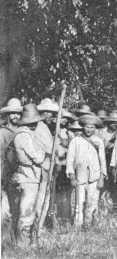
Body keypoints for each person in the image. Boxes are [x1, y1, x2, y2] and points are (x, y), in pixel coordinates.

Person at [12, 104, 48, 245]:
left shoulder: (27, 133)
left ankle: (26, 243)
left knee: (30, 210)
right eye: (31, 122)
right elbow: (37, 157)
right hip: (27, 176)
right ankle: (22, 245)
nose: (33, 124)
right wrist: (44, 153)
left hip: (32, 176)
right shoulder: (24, 135)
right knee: (27, 211)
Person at [66, 114, 107, 227]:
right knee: (78, 204)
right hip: (79, 177)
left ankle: (88, 225)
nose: (89, 130)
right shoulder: (75, 141)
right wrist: (71, 176)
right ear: (83, 127)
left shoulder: (99, 142)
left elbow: (102, 161)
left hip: (94, 177)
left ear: (95, 128)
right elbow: (69, 160)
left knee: (92, 203)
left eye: (92, 127)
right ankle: (77, 227)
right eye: (87, 127)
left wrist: (102, 178)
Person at [0, 98, 23, 241]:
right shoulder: (2, 132)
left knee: (18, 208)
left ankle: (15, 239)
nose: (16, 116)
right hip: (5, 174)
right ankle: (4, 241)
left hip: (19, 175)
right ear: (7, 115)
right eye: (13, 114)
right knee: (6, 210)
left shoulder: (22, 131)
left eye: (18, 114)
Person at [34, 98, 59, 230]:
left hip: (48, 166)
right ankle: (37, 228)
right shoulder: (37, 127)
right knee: (41, 197)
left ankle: (40, 226)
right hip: (41, 167)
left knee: (45, 197)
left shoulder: (48, 128)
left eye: (52, 113)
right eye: (46, 112)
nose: (50, 116)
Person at [97, 112, 117, 212]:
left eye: (116, 122)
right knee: (103, 185)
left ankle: (114, 207)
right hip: (103, 160)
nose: (114, 124)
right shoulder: (101, 132)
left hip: (116, 161)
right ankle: (102, 206)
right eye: (112, 122)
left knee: (115, 185)